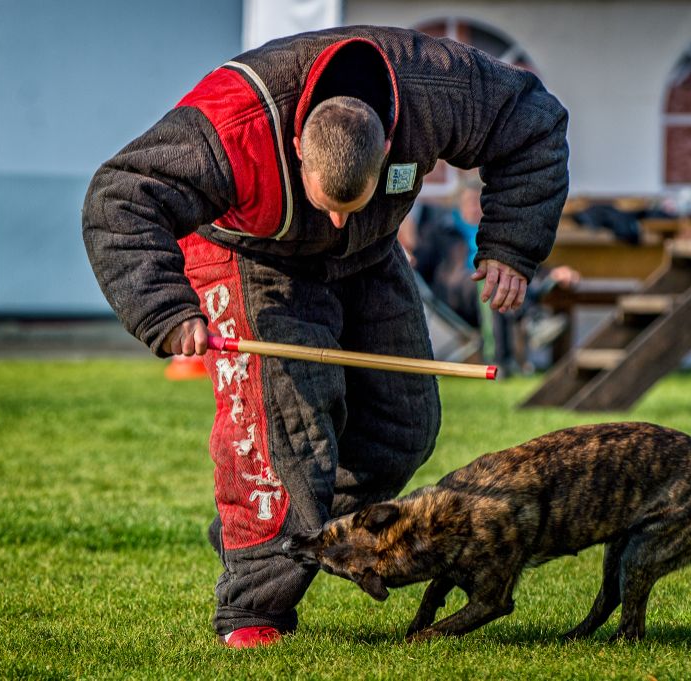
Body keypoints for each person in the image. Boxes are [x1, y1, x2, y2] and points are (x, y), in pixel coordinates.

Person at [82, 26, 569, 648]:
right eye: (328, 201)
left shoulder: (441, 87)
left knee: (402, 427)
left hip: (369, 256)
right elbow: (118, 197)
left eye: (352, 201)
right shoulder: (231, 125)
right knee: (289, 438)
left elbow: (534, 122)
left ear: (390, 142)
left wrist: (511, 246)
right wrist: (165, 310)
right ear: (296, 148)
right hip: (249, 256)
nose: (336, 214)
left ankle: (268, 536)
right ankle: (253, 609)